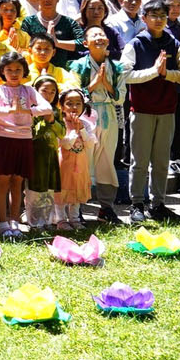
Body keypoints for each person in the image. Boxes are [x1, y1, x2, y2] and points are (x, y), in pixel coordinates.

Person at [120, 0, 180, 222]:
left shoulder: (174, 44)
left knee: (161, 160)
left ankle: (158, 204)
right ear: (144, 18)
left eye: (162, 16)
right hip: (142, 110)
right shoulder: (135, 44)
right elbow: (125, 76)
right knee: (139, 161)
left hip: (167, 109)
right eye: (153, 15)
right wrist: (153, 72)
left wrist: (166, 74)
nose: (158, 20)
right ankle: (137, 203)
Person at [0, 51, 48, 240]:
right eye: (9, 69)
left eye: (18, 69)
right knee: (3, 182)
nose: (13, 73)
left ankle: (14, 221)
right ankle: (2, 223)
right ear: (2, 71)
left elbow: (47, 108)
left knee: (18, 182)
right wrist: (9, 110)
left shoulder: (29, 90)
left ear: (24, 71)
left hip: (24, 139)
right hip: (4, 138)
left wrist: (28, 110)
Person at [66, 28, 125, 225]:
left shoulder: (117, 67)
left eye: (102, 35)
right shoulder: (78, 65)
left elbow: (120, 96)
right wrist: (93, 84)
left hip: (108, 114)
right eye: (94, 36)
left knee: (107, 160)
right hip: (86, 116)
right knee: (83, 160)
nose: (99, 38)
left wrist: (106, 84)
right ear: (85, 43)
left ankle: (106, 207)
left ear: (108, 40)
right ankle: (78, 206)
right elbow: (72, 94)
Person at [25, 75, 64, 231]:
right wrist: (44, 119)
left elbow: (62, 133)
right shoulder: (31, 111)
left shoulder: (56, 111)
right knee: (35, 190)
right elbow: (33, 133)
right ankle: (34, 222)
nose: (48, 95)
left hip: (51, 154)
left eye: (52, 92)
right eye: (44, 91)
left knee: (48, 190)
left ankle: (47, 221)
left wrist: (53, 120)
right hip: (36, 155)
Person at [53, 88, 94, 232]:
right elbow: (64, 144)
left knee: (76, 190)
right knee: (62, 191)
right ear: (62, 106)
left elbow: (90, 144)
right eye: (69, 103)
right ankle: (61, 219)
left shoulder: (86, 124)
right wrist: (75, 132)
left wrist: (82, 129)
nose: (74, 107)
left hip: (80, 164)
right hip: (64, 163)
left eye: (78, 103)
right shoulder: (60, 123)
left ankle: (75, 219)